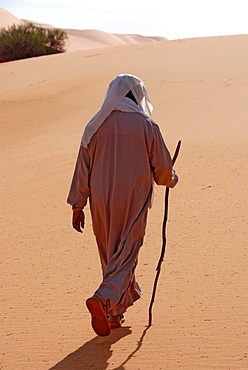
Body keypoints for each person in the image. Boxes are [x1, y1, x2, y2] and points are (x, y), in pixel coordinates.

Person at [67, 74, 178, 336]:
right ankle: (104, 299)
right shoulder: (146, 125)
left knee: (111, 254)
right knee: (127, 252)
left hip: (100, 200)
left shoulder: (94, 126)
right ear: (137, 96)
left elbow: (82, 168)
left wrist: (77, 205)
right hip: (133, 198)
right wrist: (171, 179)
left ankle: (114, 314)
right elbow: (162, 169)